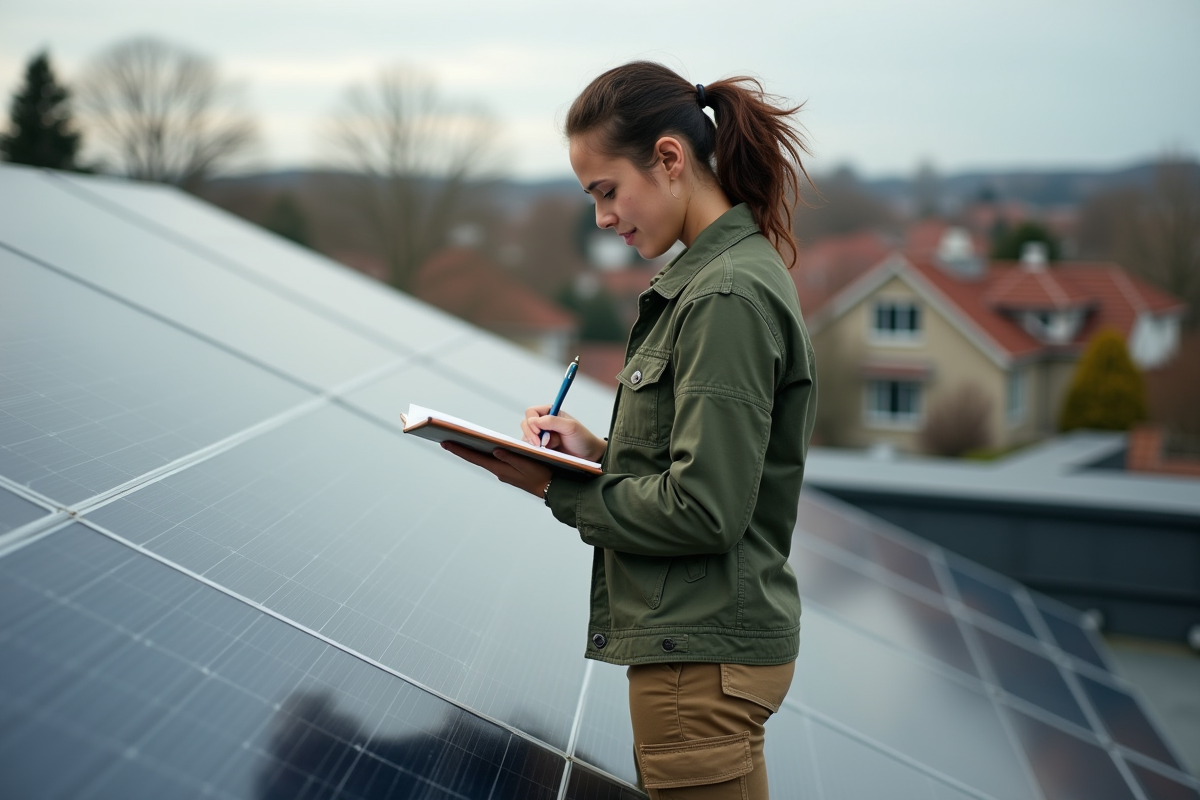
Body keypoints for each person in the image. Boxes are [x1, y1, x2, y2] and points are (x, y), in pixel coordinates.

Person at [443, 61, 817, 799]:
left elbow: (705, 508)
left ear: (670, 159)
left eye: (606, 191)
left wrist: (557, 488)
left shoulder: (724, 295)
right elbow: (709, 467)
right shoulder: (725, 278)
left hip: (697, 669)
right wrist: (598, 452)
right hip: (705, 655)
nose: (603, 218)